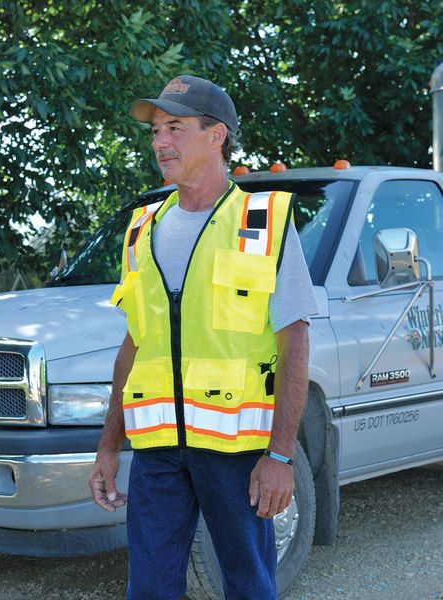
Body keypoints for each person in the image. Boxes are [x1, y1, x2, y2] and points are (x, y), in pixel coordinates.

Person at [88, 74, 318, 600]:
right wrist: (108, 446)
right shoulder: (142, 227)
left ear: (217, 135)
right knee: (148, 590)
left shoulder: (262, 221)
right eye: (154, 131)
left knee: (248, 585)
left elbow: (294, 343)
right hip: (158, 453)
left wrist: (280, 456)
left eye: (174, 127)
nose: (159, 142)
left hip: (235, 451)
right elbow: (134, 345)